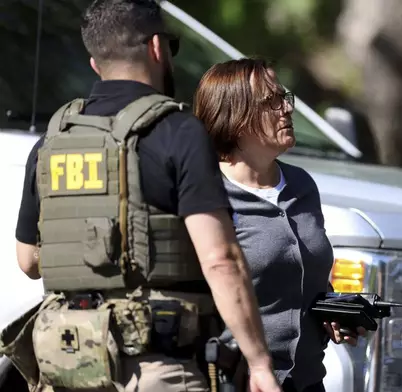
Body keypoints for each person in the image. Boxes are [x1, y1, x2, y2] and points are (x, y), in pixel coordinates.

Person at [8, 1, 282, 391]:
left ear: (94, 63)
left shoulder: (52, 141)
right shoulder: (178, 132)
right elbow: (220, 259)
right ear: (157, 47)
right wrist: (258, 362)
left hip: (68, 368)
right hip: (155, 369)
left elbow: (29, 260)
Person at [193, 58, 366, 392]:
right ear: (236, 116)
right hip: (235, 382)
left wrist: (330, 309)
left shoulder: (301, 185)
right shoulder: (206, 193)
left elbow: (301, 277)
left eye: (285, 98)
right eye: (271, 102)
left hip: (307, 383)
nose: (287, 108)